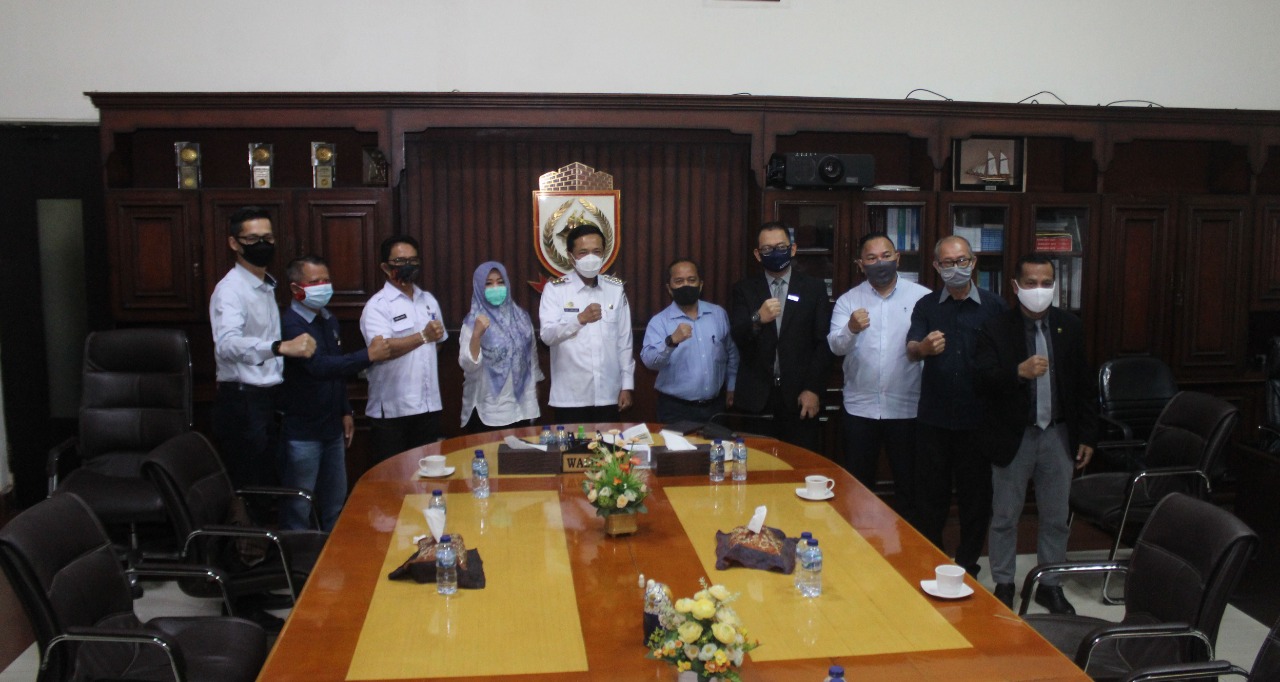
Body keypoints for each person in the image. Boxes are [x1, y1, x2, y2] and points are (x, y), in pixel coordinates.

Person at [975, 254, 1098, 613]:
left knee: (1056, 518)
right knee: (1005, 516)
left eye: (1046, 283)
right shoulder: (995, 327)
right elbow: (981, 380)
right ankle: (1004, 582)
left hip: (1058, 434)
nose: (1039, 290)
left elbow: (1084, 385)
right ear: (1015, 286)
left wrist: (1088, 435)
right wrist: (1018, 372)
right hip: (1014, 436)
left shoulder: (1069, 326)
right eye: (1031, 283)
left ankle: (1050, 584)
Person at [906, 234, 1007, 578]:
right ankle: (932, 559)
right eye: (948, 263)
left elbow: (1007, 359)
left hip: (978, 420)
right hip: (933, 418)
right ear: (937, 267)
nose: (956, 268)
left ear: (973, 262)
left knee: (975, 500)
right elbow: (911, 349)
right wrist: (923, 348)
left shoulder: (995, 306)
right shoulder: (927, 306)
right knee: (930, 498)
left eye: (962, 260)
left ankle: (967, 565)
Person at [279, 256, 391, 530]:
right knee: (299, 504)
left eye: (326, 280)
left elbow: (336, 371)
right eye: (314, 282)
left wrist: (345, 410)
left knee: (336, 501)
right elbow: (318, 366)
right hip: (302, 432)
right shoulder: (290, 324)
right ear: (295, 288)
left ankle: (334, 550)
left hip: (332, 427)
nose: (322, 286)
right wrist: (368, 355)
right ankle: (298, 555)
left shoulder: (328, 319)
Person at [210, 206, 314, 489]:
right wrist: (279, 347)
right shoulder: (230, 290)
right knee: (251, 486)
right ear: (234, 243)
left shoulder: (266, 286)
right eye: (253, 239)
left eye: (268, 238)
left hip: (270, 397)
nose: (262, 245)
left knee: (272, 482)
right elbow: (227, 345)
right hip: (243, 400)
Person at [827, 233, 930, 514]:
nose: (880, 263)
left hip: (907, 408)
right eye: (871, 258)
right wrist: (850, 328)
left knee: (910, 488)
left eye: (886, 256)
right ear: (861, 264)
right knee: (857, 488)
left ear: (897, 258)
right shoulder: (848, 300)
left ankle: (908, 541)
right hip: (860, 409)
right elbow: (835, 346)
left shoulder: (922, 298)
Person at [729, 221, 834, 451]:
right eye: (767, 249)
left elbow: (823, 344)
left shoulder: (813, 288)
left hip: (800, 397)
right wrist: (758, 318)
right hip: (757, 399)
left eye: (780, 247)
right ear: (758, 254)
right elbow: (738, 335)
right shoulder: (744, 289)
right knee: (756, 465)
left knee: (799, 463)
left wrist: (813, 388)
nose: (774, 253)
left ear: (792, 249)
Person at [360, 235, 447, 461]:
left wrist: (425, 342)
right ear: (385, 267)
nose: (408, 265)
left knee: (426, 474)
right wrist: (422, 336)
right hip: (392, 411)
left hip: (428, 406)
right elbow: (382, 349)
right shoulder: (377, 306)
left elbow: (437, 343)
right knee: (393, 477)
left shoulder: (428, 300)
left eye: (413, 260)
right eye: (400, 261)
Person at [539, 224, 635, 424]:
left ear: (604, 254)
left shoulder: (615, 289)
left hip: (609, 394)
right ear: (570, 256)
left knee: (610, 445)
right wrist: (579, 320)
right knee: (572, 446)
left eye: (596, 251)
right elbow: (547, 336)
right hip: (570, 398)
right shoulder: (555, 290)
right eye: (583, 252)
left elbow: (624, 342)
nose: (591, 257)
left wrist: (627, 385)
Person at [641, 257, 739, 424]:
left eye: (691, 280)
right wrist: (671, 341)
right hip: (676, 409)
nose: (686, 285)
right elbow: (650, 362)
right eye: (679, 281)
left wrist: (732, 386)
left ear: (700, 285)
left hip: (716, 408)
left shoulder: (718, 314)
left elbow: (732, 353)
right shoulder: (659, 322)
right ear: (669, 288)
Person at [459, 261, 543, 432]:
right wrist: (476, 335)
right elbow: (468, 366)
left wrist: (534, 388)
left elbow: (531, 356)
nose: (496, 287)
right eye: (488, 284)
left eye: (500, 282)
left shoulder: (521, 318)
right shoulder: (472, 322)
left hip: (522, 408)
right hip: (489, 411)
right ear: (479, 288)